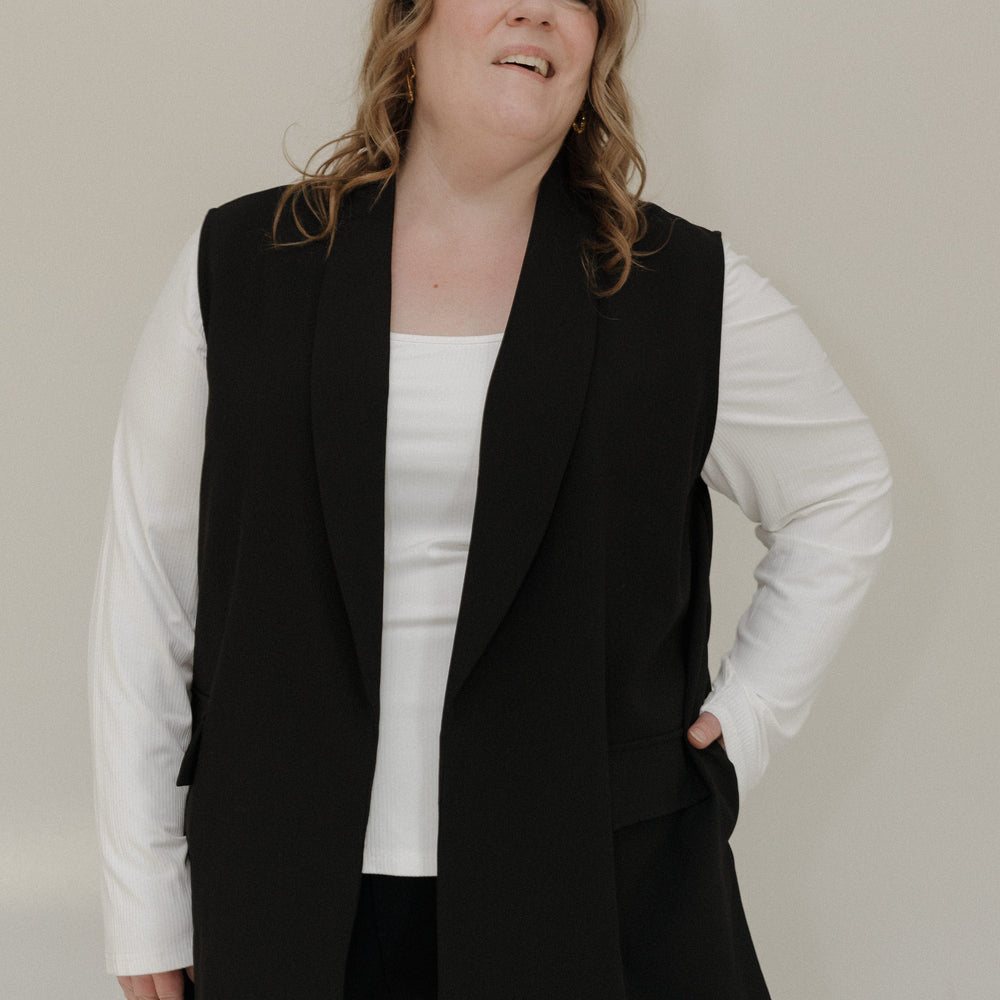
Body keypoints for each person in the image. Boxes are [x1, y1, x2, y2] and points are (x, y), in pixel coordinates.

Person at [87, 0, 893, 998]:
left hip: (600, 893)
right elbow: (149, 592)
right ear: (410, 24)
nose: (540, 11)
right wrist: (143, 895)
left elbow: (843, 494)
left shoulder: (686, 291)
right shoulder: (240, 268)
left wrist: (749, 718)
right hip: (283, 899)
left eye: (580, 1)